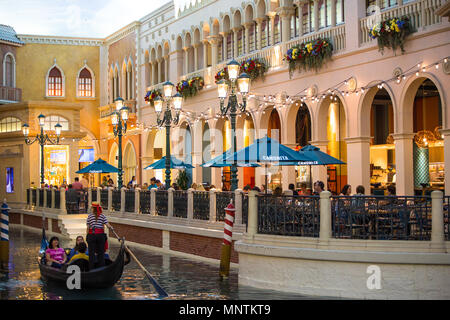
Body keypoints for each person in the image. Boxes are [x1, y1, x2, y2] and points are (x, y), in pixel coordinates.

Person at [86, 202, 114, 270]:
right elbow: (107, 225)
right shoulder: (102, 216)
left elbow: (88, 227)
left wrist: (87, 236)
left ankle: (91, 269)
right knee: (101, 253)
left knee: (91, 253)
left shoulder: (90, 216)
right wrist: (111, 228)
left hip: (92, 235)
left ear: (93, 208)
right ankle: (101, 268)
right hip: (100, 236)